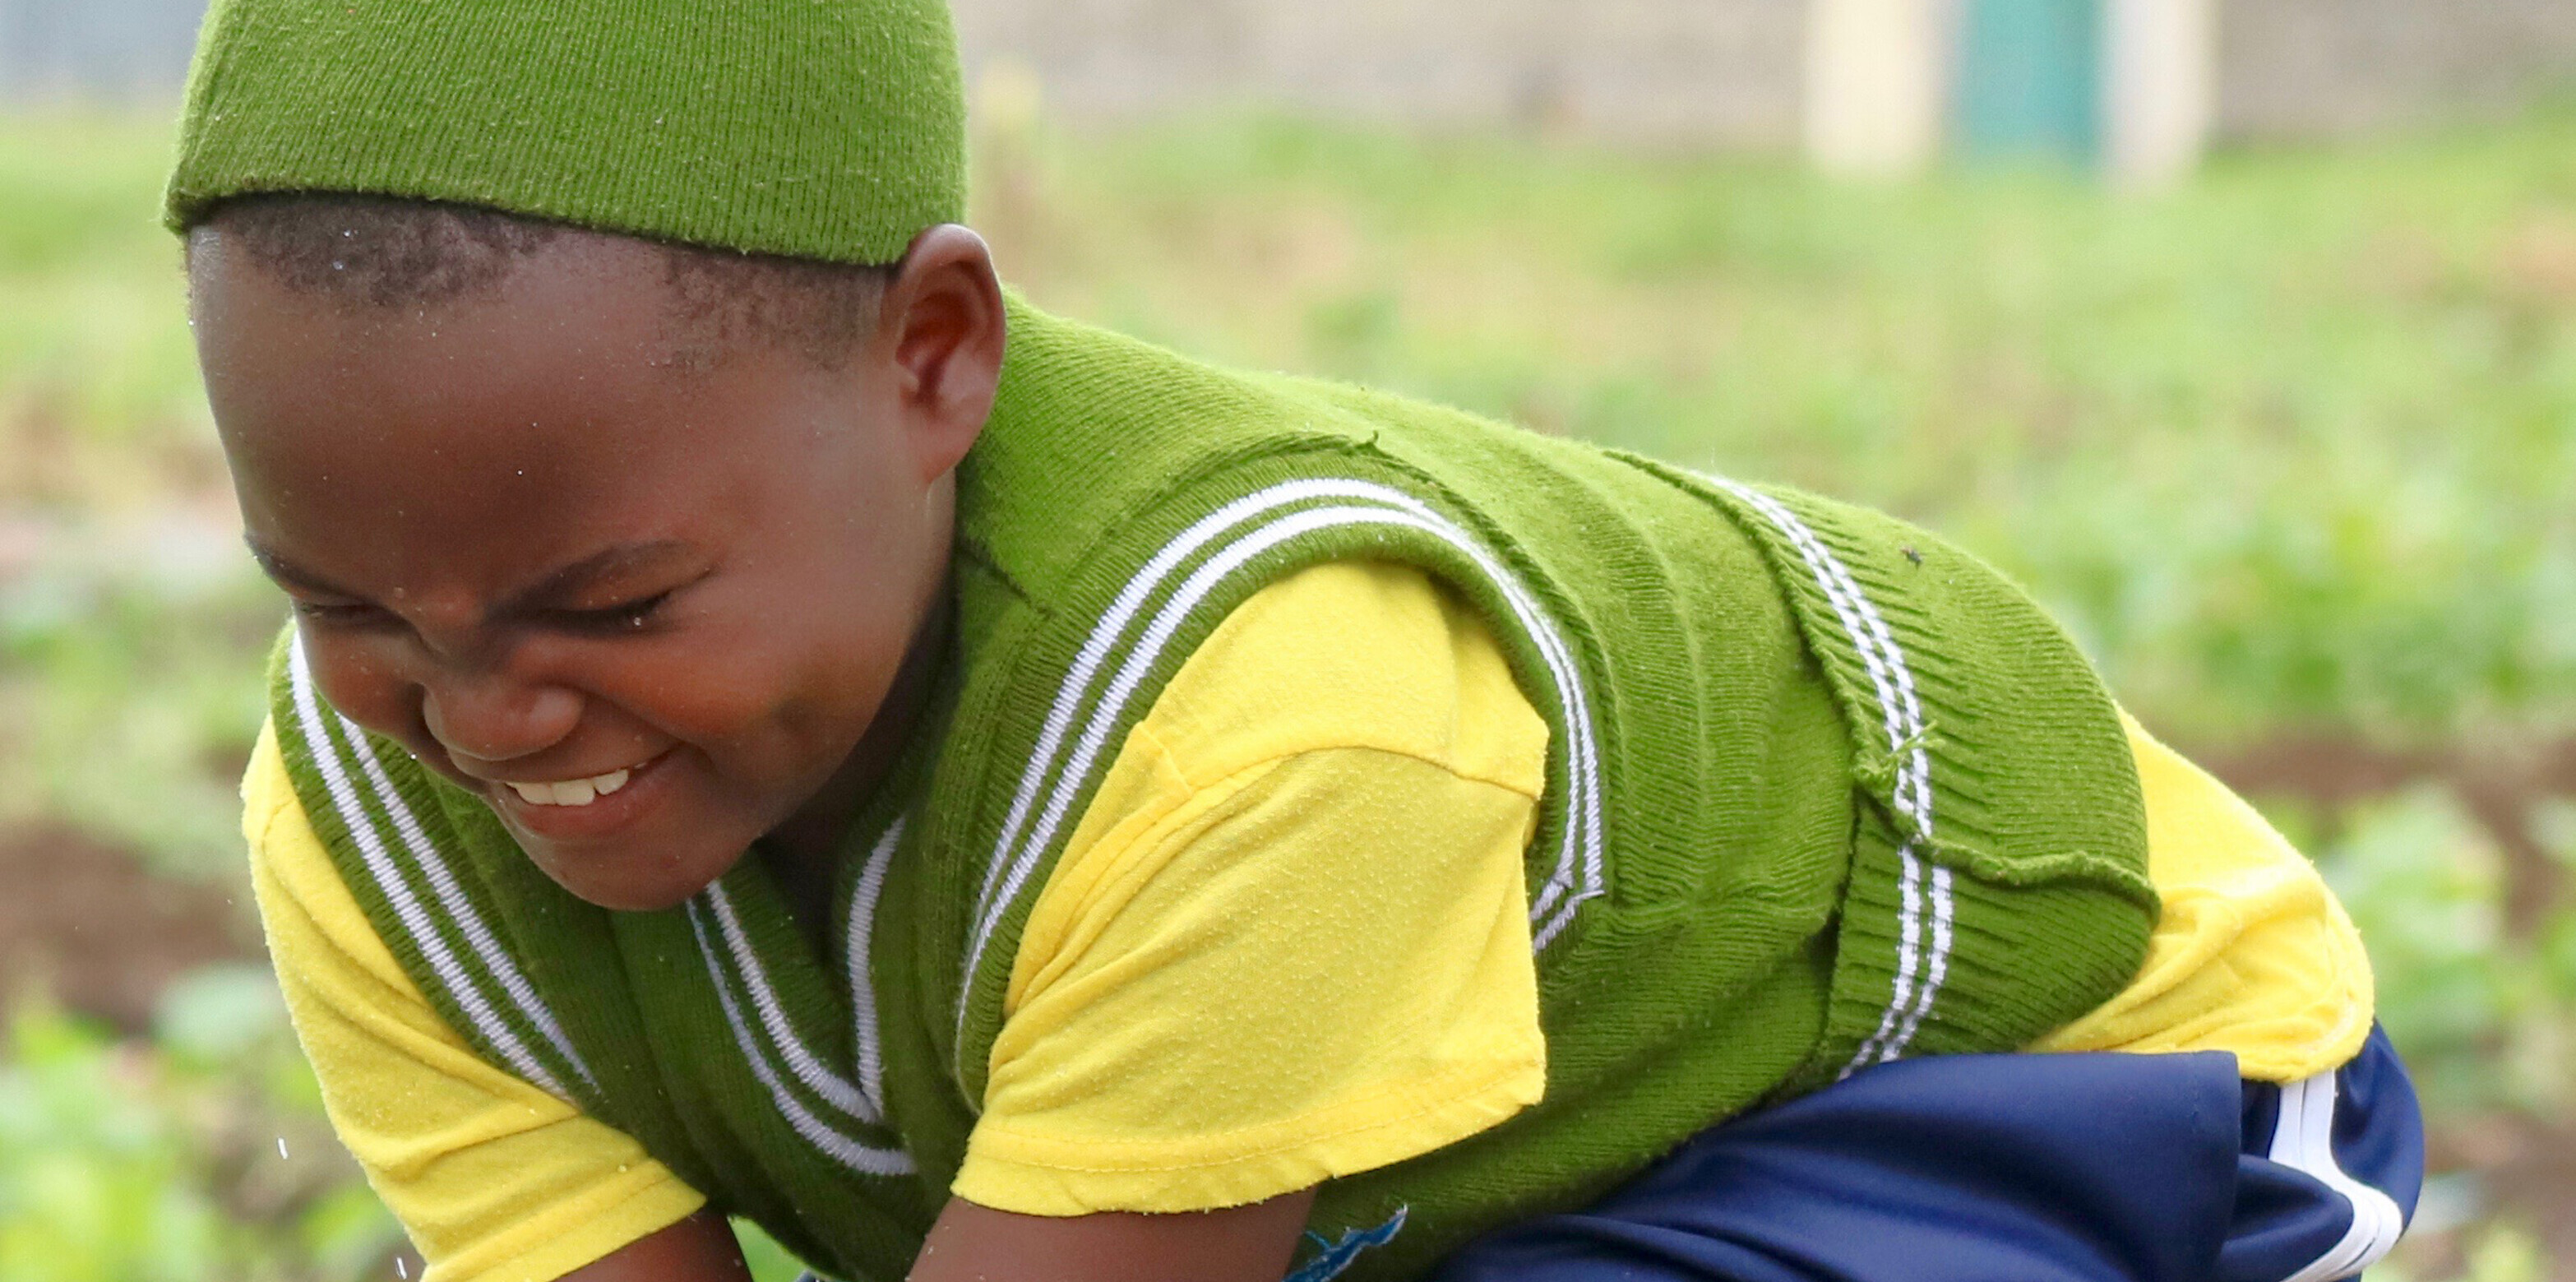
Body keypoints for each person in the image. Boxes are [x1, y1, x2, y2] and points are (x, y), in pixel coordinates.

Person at [165, 4, 2418, 1280]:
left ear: (936, 360)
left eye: (619, 605)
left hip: (2054, 1090)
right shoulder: (374, 825)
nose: (479, 713)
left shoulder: (1258, 709)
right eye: (348, 606)